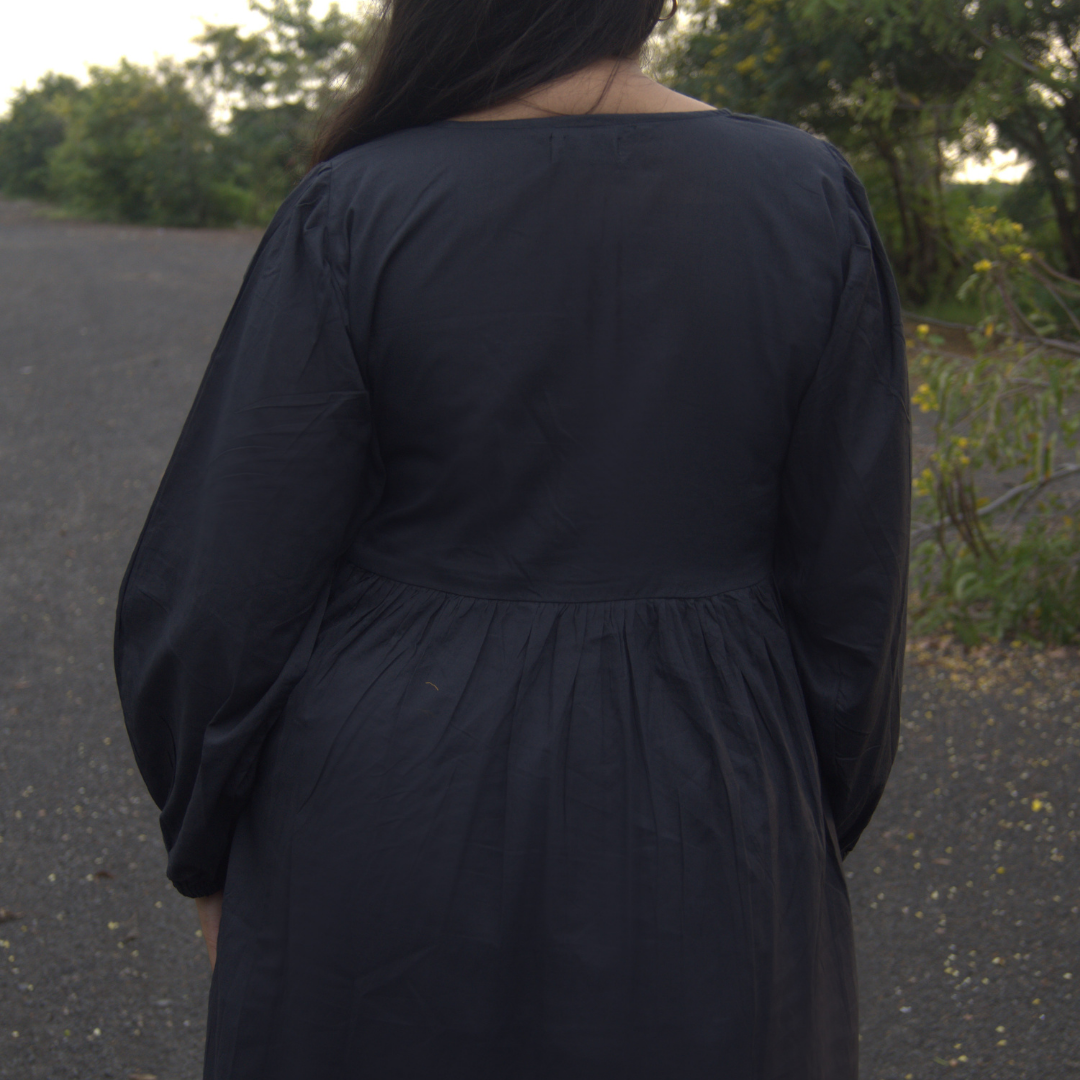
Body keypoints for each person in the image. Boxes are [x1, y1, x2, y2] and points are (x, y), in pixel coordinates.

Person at [114, 0, 910, 1076]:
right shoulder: (808, 196)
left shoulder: (356, 206)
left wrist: (210, 846)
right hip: (710, 805)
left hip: (382, 809)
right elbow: (853, 590)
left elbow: (219, 587)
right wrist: (787, 830)